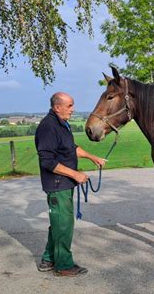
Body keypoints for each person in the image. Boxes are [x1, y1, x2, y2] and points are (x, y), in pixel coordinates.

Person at [35, 92, 106, 277]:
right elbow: (47, 161)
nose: (73, 110)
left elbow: (71, 148)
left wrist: (93, 157)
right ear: (57, 107)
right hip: (57, 185)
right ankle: (64, 265)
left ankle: (48, 259)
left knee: (59, 223)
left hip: (64, 183)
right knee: (64, 224)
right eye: (70, 106)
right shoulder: (48, 127)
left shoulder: (61, 124)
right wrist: (76, 174)